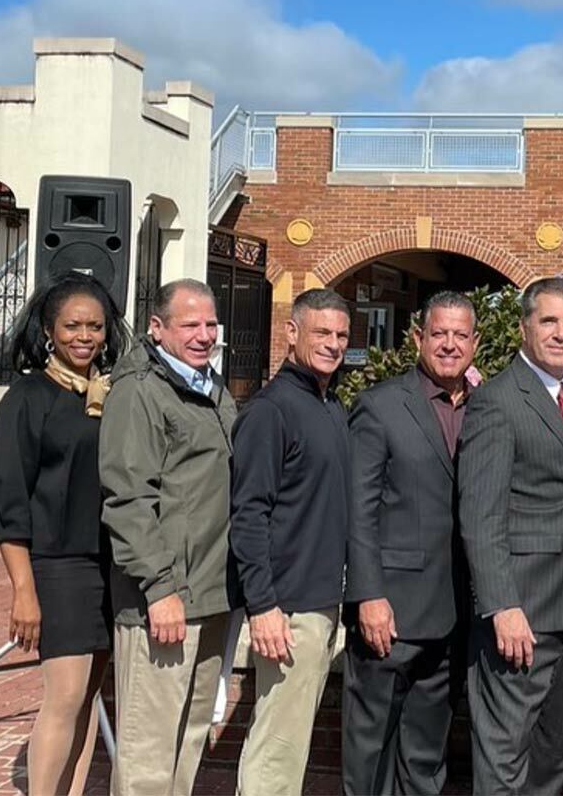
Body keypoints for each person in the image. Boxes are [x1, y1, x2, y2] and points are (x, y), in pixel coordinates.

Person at [458, 276, 563, 796]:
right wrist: (502, 606)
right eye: (548, 321)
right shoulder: (498, 401)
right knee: (504, 759)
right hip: (521, 615)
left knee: (552, 758)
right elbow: (480, 515)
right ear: (524, 327)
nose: (560, 333)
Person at [0, 272, 128, 795]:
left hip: (106, 564)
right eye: (72, 326)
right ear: (50, 329)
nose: (85, 337)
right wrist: (23, 591)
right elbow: (9, 504)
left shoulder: (108, 394)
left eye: (94, 326)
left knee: (90, 697)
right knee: (65, 697)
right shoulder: (27, 397)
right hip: (58, 565)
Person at [100, 278, 238, 796]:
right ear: (157, 329)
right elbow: (129, 499)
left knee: (189, 740)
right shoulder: (140, 391)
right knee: (148, 754)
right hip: (164, 601)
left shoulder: (209, 385)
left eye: (210, 324)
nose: (204, 334)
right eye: (190, 324)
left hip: (211, 595)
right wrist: (159, 589)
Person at [342, 291, 479, 795]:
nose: (449, 345)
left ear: (475, 343)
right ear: (418, 338)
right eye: (438, 333)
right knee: (371, 752)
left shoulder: (483, 408)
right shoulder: (380, 407)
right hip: (390, 612)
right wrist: (367, 595)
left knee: (426, 756)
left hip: (454, 615)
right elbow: (358, 510)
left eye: (460, 335)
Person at [229, 288, 353, 794]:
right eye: (321, 332)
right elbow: (248, 512)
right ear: (292, 332)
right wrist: (263, 606)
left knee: (291, 738)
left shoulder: (329, 405)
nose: (333, 344)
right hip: (288, 609)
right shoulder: (271, 410)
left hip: (321, 603)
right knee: (277, 747)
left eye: (342, 334)